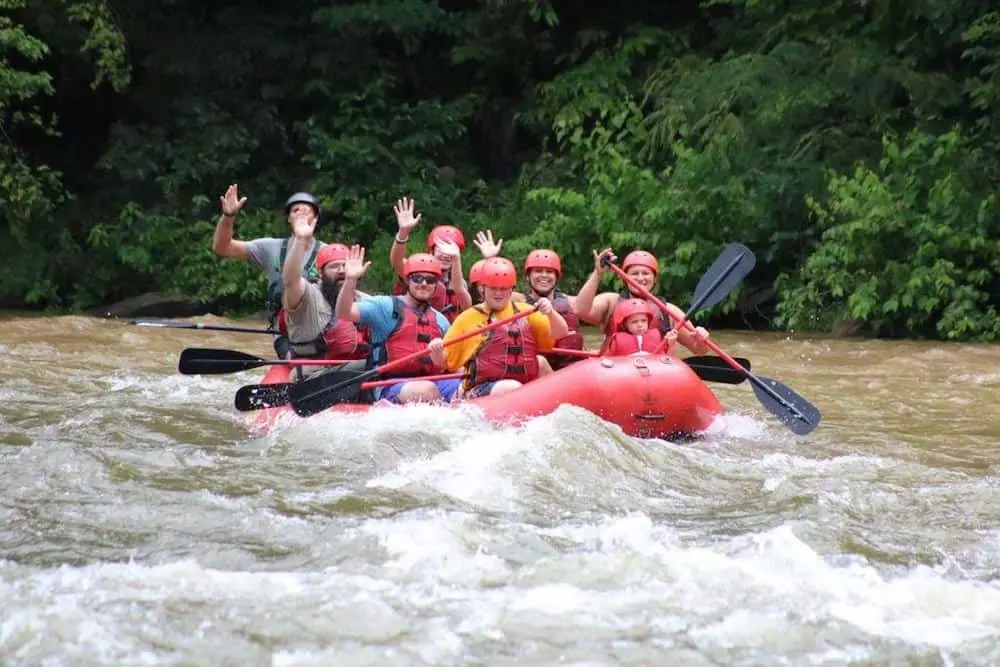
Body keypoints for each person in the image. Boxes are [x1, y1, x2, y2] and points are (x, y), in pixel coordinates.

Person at [428, 257, 569, 399]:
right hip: (481, 388)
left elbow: (561, 333)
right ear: (482, 289)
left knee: (541, 362)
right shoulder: (467, 319)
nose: (498, 294)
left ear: (511, 290)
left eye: (503, 289)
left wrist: (551, 313)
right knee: (511, 387)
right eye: (493, 288)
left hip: (521, 384)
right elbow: (443, 363)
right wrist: (436, 351)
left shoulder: (526, 312)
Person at [335, 246, 460, 404]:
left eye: (430, 280)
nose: (423, 284)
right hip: (387, 384)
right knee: (426, 390)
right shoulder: (384, 306)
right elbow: (344, 312)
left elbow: (451, 363)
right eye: (417, 278)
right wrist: (350, 279)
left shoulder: (441, 320)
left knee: (464, 389)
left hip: (432, 381)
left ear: (436, 284)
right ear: (407, 280)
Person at [212, 185, 326, 358]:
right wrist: (228, 216)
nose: (301, 214)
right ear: (289, 218)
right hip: (283, 331)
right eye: (296, 210)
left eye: (307, 211)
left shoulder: (329, 252)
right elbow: (222, 248)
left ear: (315, 218)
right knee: (291, 359)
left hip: (319, 327)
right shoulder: (270, 247)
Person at [280, 213, 370, 382]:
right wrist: (300, 240)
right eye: (335, 267)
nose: (342, 271)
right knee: (371, 365)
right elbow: (290, 280)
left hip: (354, 371)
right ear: (320, 273)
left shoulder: (364, 300)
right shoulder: (308, 296)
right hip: (312, 374)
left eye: (346, 266)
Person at [575, 248, 711, 355]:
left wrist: (702, 340)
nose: (640, 278)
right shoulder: (611, 302)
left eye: (646, 273)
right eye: (634, 273)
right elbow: (580, 310)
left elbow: (699, 350)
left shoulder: (668, 310)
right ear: (625, 277)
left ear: (654, 278)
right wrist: (597, 274)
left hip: (654, 376)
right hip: (616, 375)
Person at [388, 197, 471, 320]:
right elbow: (397, 261)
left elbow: (467, 307)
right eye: (441, 249)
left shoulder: (459, 283)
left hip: (444, 333)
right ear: (431, 250)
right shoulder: (418, 270)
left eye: (450, 250)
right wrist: (403, 233)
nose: (445, 255)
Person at [512, 249, 585, 369]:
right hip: (541, 372)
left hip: (572, 371)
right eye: (538, 271)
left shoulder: (571, 302)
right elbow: (496, 291)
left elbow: (587, 307)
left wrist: (597, 273)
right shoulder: (518, 301)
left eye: (549, 271)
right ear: (527, 276)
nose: (544, 275)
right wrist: (490, 260)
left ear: (557, 277)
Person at [604, 298, 679, 356]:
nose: (640, 325)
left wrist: (671, 345)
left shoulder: (656, 337)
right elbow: (606, 361)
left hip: (653, 374)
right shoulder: (617, 340)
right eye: (634, 322)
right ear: (624, 324)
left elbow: (668, 361)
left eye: (643, 321)